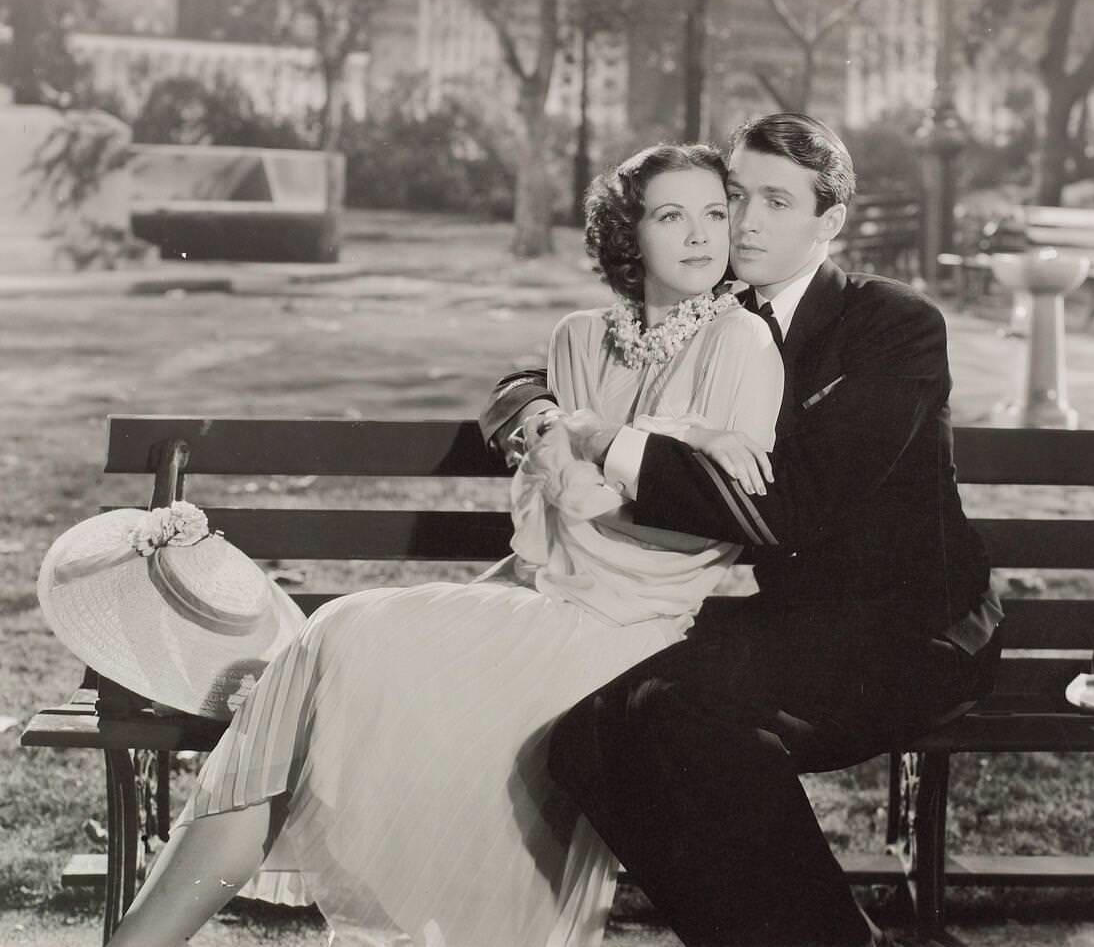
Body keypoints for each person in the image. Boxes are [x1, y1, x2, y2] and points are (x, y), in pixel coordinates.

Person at [104, 142, 784, 947]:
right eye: (673, 215)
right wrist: (601, 461)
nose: (702, 236)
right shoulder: (575, 339)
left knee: (340, 646)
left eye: (716, 213)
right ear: (627, 234)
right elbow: (546, 531)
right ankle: (140, 941)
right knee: (331, 650)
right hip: (543, 603)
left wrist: (627, 444)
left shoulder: (743, 344)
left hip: (631, 633)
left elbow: (698, 527)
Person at [482, 113, 1003, 947]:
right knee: (585, 737)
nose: (746, 222)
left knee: (686, 726)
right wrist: (534, 407)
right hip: (793, 623)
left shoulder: (891, 324)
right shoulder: (709, 311)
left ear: (828, 223)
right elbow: (563, 364)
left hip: (915, 629)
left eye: (777, 201)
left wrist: (610, 441)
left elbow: (795, 507)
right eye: (735, 197)